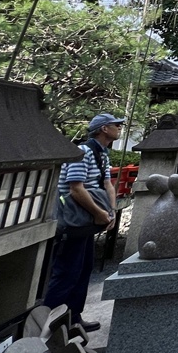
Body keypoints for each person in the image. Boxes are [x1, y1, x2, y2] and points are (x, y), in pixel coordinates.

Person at [43, 113, 121, 331]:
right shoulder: (83, 152)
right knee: (67, 272)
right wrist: (98, 213)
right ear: (104, 129)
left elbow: (107, 183)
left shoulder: (103, 154)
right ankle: (48, 324)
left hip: (88, 219)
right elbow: (75, 188)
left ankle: (73, 318)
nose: (119, 128)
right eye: (116, 125)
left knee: (84, 269)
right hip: (74, 220)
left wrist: (111, 211)